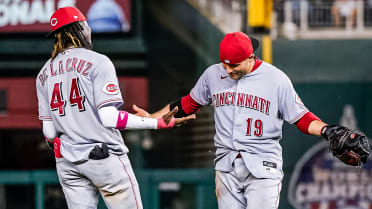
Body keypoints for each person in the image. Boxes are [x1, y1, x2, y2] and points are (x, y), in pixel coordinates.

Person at [133, 32, 368, 208]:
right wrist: (152, 118)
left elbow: (301, 117)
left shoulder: (275, 79)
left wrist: (327, 130)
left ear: (250, 57)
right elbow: (186, 105)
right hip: (227, 166)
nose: (227, 69)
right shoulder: (213, 75)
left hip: (263, 166)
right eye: (224, 63)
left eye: (233, 64)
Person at [36, 7, 194, 209]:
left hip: (67, 162)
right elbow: (109, 118)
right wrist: (155, 123)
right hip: (103, 156)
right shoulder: (97, 62)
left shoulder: (43, 73)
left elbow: (49, 132)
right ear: (82, 28)